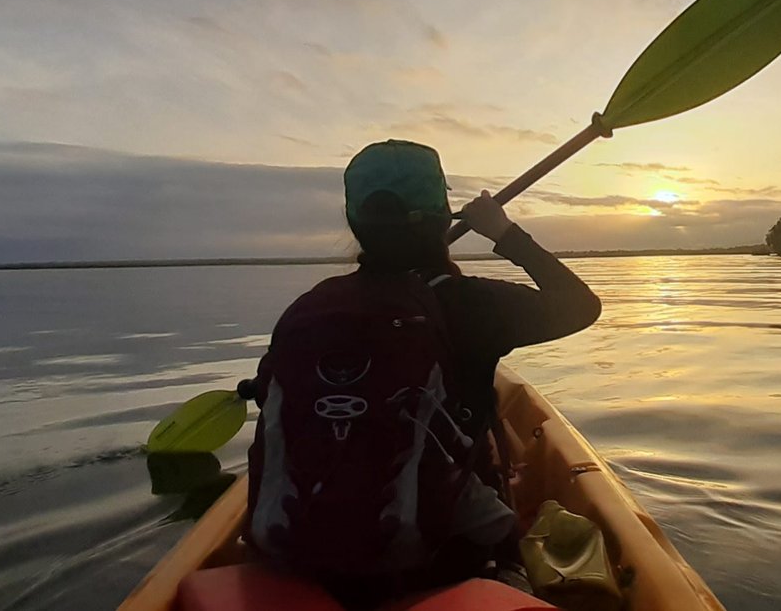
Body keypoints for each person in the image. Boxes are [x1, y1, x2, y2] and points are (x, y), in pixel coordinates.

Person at [244, 139, 601, 603]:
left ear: (355, 221)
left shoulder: (310, 309)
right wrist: (505, 232)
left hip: (303, 560)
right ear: (443, 216)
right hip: (440, 561)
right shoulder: (472, 304)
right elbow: (580, 306)